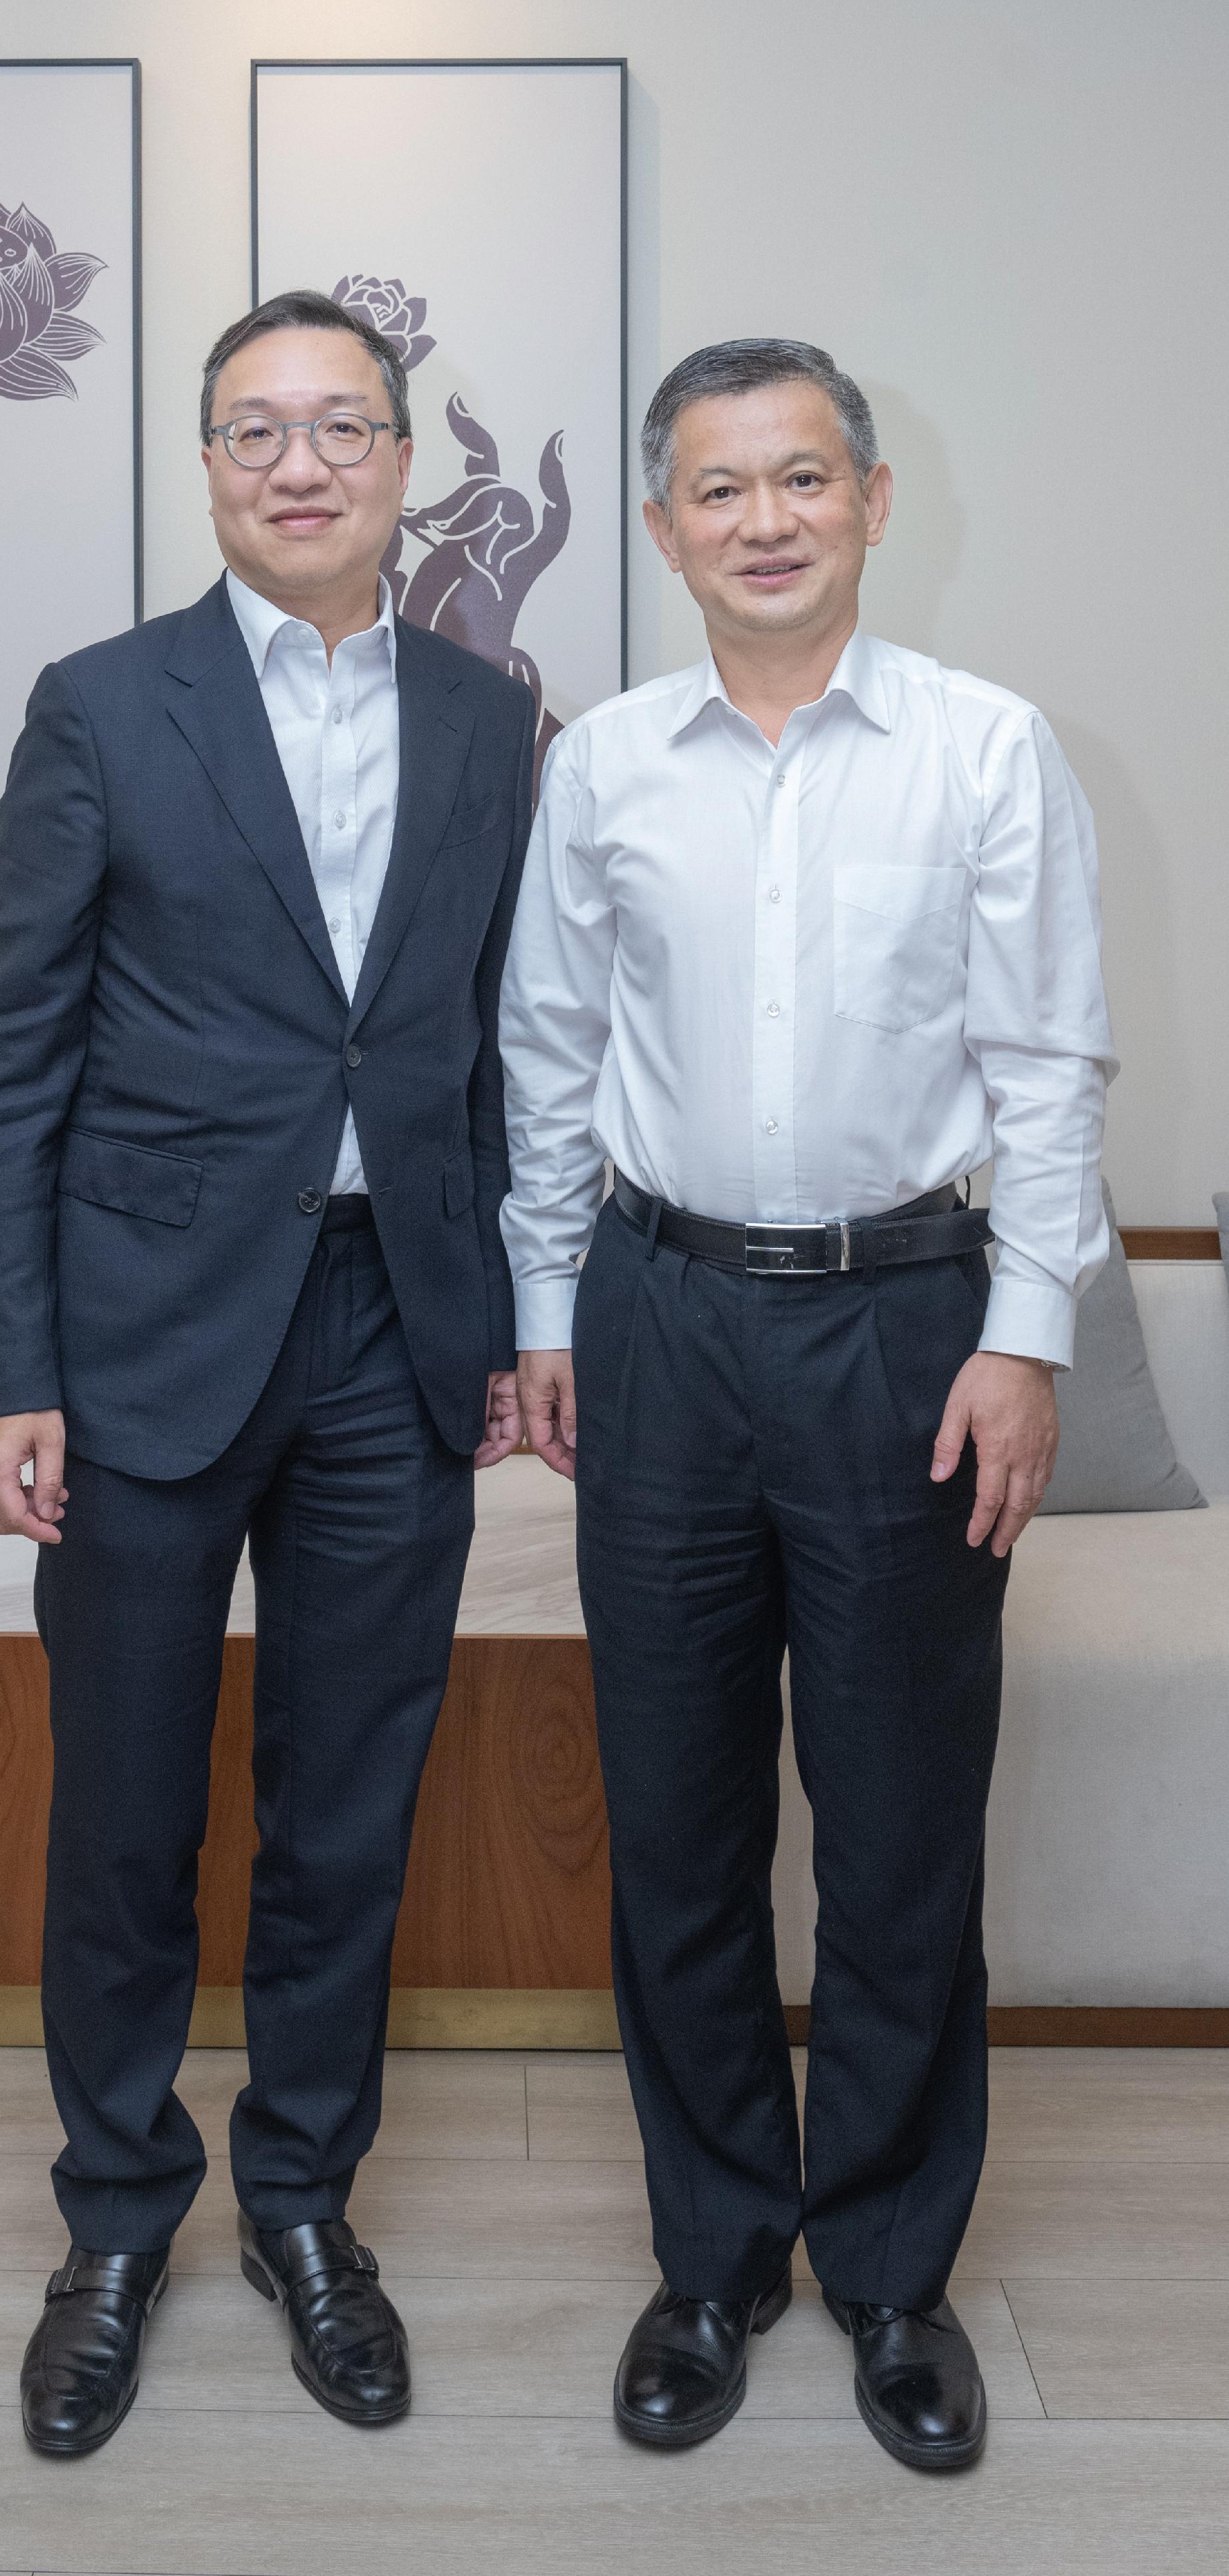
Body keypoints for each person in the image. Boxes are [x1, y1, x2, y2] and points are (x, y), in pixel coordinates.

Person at [500, 338, 1114, 2471]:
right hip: (660, 1323)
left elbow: (1046, 1072)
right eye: (715, 487)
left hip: (906, 1330)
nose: (761, 518)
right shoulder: (608, 769)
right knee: (672, 1823)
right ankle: (712, 2258)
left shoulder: (987, 750)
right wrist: (548, 1308)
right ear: (662, 525)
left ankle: (887, 2274)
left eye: (801, 478)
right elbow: (550, 1056)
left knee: (898, 1830)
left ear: (866, 498)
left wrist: (1023, 1337)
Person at [0, 288, 537, 2457]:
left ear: (404, 463)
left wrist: (514, 1314)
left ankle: (304, 2202)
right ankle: (114, 2223)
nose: (302, 464)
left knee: (343, 1818)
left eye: (344, 429)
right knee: (119, 1819)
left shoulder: (494, 719)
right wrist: (12, 1367)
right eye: (256, 430)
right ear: (205, 467)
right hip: (137, 1350)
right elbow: (5, 1067)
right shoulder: (105, 706)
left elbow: (484, 1051)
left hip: (399, 1339)